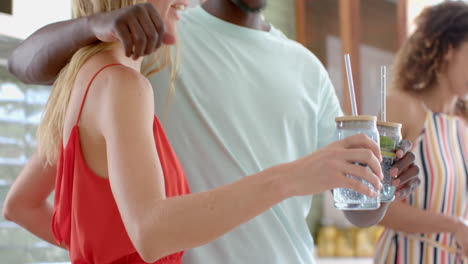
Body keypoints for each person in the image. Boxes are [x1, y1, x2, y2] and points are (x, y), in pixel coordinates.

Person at [4, 0, 420, 263]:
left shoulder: (307, 67)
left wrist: (383, 183)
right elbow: (23, 63)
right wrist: (100, 23)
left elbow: (355, 203)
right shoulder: (160, 39)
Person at [375, 2, 468, 263]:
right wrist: (455, 226)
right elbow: (375, 204)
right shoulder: (401, 108)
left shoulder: (463, 121)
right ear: (449, 49)